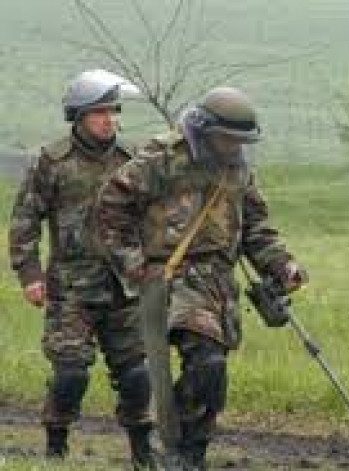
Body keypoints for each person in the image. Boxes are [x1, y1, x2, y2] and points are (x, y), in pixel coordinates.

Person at [94, 86, 307, 470]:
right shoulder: (163, 158)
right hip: (171, 278)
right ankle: (173, 449)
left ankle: (190, 454)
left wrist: (283, 266)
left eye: (240, 141)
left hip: (218, 282)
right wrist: (133, 263)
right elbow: (111, 207)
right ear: (205, 130)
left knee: (212, 375)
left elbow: (256, 228)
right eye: (227, 138)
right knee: (206, 360)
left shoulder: (237, 170)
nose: (233, 147)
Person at [8, 70, 155, 469]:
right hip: (71, 290)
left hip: (125, 287)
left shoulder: (132, 160)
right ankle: (56, 448)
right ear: (79, 116)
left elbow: (153, 217)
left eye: (114, 112)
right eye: (100, 113)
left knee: (136, 375)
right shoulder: (53, 161)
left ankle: (143, 453)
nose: (110, 120)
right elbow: (25, 221)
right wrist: (30, 275)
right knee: (71, 374)